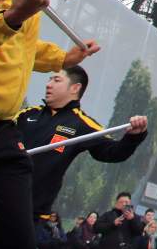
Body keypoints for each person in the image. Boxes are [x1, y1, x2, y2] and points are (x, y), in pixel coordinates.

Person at [0, 0, 100, 249]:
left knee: (17, 241)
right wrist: (13, 17)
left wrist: (62, 58)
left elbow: (20, 46)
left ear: (76, 90)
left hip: (0, 129)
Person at [20, 65, 149, 234]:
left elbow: (113, 152)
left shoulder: (82, 124)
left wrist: (134, 136)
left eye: (56, 80)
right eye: (49, 79)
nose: (49, 84)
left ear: (75, 88)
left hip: (32, 212)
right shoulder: (27, 114)